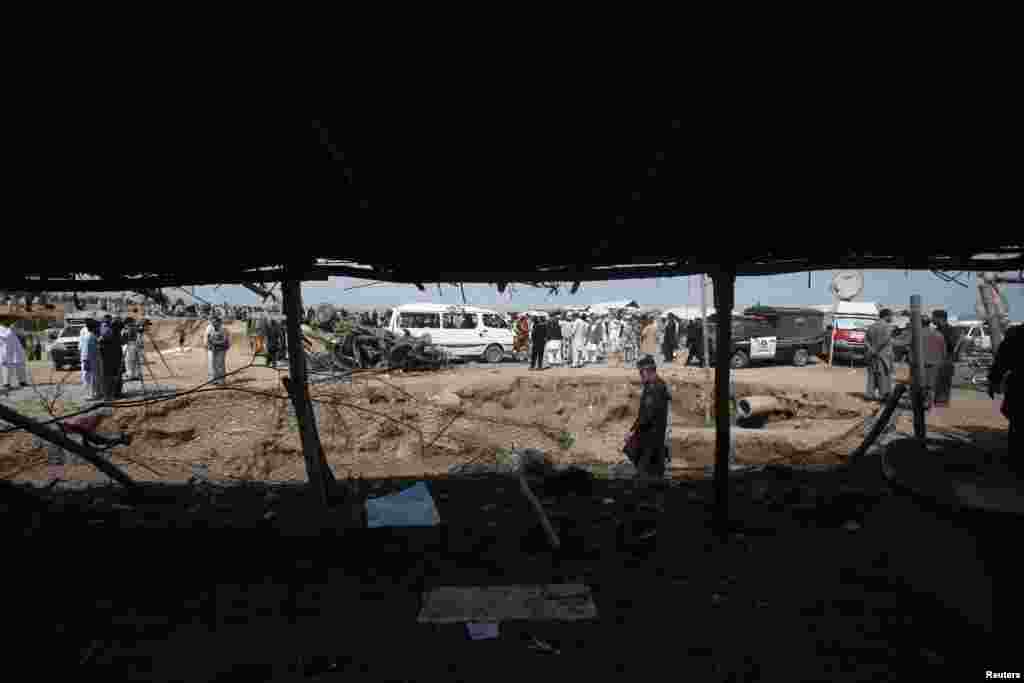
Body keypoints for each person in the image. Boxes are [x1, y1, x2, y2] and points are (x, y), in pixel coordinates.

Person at [624, 354, 671, 479]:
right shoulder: (657, 385)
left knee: (645, 471)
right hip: (653, 435)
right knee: (652, 471)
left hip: (650, 436)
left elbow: (647, 414)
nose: (640, 376)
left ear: (646, 371)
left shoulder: (654, 387)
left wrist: (633, 431)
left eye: (641, 373)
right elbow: (644, 413)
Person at [988, 324, 1021, 473]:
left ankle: (1015, 461)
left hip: (1019, 387)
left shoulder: (1016, 334)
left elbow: (1001, 361)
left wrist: (994, 381)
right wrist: (994, 380)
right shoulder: (1016, 334)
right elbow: (1001, 361)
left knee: (1017, 426)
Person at [864, 309, 896, 402]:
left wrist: (871, 350)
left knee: (872, 375)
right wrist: (876, 350)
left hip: (872, 355)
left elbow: (865, 340)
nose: (892, 318)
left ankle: (870, 394)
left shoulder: (871, 326)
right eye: (891, 316)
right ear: (886, 316)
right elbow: (886, 340)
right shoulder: (888, 327)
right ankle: (883, 395)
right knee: (884, 376)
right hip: (884, 356)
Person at [931, 310, 957, 406]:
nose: (932, 319)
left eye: (933, 317)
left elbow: (952, 344)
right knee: (937, 382)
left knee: (944, 381)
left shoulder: (950, 330)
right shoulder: (937, 330)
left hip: (946, 360)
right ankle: (939, 400)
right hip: (937, 359)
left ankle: (942, 401)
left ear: (940, 318)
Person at [0, 324, 29, 391]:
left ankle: (22, 381)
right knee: (6, 364)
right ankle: (6, 383)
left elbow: (20, 332)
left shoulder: (12, 326)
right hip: (4, 344)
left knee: (20, 362)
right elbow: (5, 335)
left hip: (14, 343)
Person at [204, 316, 231, 385]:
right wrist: (208, 345)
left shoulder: (224, 329)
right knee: (211, 363)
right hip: (211, 348)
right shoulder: (209, 328)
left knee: (220, 364)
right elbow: (206, 338)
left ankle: (221, 380)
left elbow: (225, 340)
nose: (213, 324)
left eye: (215, 322)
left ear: (219, 322)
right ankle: (212, 379)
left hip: (222, 348)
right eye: (212, 322)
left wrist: (215, 343)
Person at [80, 319, 100, 400]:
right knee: (91, 377)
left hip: (89, 359)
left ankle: (92, 394)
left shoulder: (89, 336)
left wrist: (85, 360)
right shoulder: (91, 336)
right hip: (90, 359)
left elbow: (86, 350)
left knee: (89, 377)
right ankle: (94, 393)